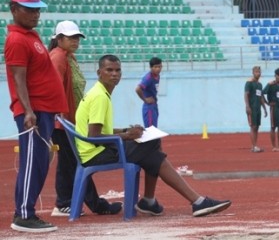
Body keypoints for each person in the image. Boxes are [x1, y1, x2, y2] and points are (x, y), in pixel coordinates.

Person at [75, 55, 231, 217]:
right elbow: (93, 136)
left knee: (152, 144)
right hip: (95, 154)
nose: (114, 74)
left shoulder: (99, 92)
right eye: (109, 70)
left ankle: (156, 201)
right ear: (99, 72)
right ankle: (188, 201)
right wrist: (127, 136)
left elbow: (100, 129)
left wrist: (125, 130)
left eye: (117, 70)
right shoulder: (100, 97)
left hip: (95, 150)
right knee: (152, 147)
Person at [5, 0, 67, 232]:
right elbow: (18, 78)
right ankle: (24, 215)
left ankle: (25, 211)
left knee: (40, 162)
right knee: (33, 162)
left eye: (37, 10)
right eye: (29, 10)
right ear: (14, 9)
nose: (35, 14)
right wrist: (28, 110)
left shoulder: (32, 36)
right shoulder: (17, 39)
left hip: (43, 111)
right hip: (33, 112)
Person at [48, 20, 122, 218]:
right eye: (70, 37)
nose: (75, 41)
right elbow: (52, 88)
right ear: (59, 39)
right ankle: (66, 203)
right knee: (69, 162)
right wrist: (59, 116)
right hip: (62, 120)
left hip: (69, 118)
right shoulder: (58, 58)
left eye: (77, 37)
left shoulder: (68, 57)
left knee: (73, 162)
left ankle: (91, 204)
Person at [244, 65, 268, 153]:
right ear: (253, 73)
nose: (258, 73)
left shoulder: (259, 85)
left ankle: (255, 145)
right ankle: (253, 146)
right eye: (256, 72)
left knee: (257, 127)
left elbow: (261, 97)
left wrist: (264, 108)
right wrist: (247, 106)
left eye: (259, 72)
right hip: (252, 108)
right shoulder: (249, 83)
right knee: (253, 126)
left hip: (258, 108)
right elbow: (246, 94)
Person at [135, 57, 162, 128]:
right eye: (156, 67)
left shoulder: (157, 76)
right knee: (150, 130)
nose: (158, 69)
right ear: (150, 67)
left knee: (155, 129)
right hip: (149, 107)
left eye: (160, 67)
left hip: (154, 105)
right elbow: (138, 89)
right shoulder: (148, 78)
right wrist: (145, 99)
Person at [263, 68, 279, 151]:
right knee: (273, 127)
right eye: (278, 75)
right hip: (274, 107)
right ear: (275, 75)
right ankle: (274, 146)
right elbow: (262, 93)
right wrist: (267, 103)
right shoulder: (270, 84)